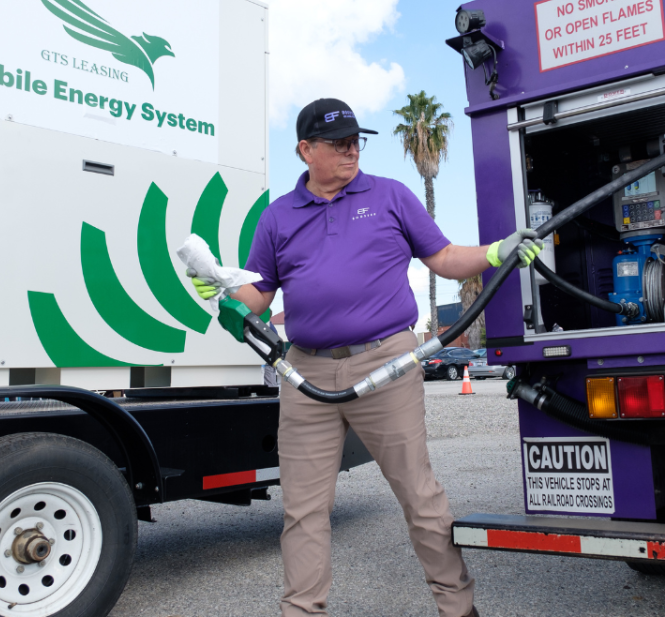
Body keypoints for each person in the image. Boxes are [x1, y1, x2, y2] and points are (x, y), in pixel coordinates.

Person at [191, 98, 541, 617]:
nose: (352, 149)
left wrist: (495, 252)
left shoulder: (391, 196)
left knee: (419, 497)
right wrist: (223, 294)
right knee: (304, 511)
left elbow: (444, 259)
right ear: (306, 150)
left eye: (357, 139)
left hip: (387, 365)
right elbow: (259, 293)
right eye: (338, 142)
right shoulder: (278, 217)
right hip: (305, 371)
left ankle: (458, 607)